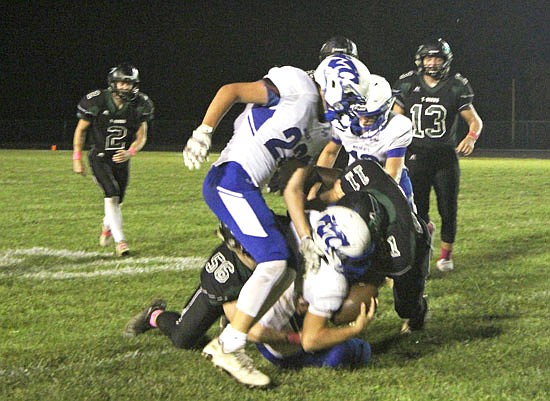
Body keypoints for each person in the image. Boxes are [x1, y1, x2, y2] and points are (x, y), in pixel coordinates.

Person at [181, 55, 371, 387]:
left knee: (289, 268)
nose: (345, 111)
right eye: (346, 100)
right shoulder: (296, 86)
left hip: (246, 187)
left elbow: (294, 187)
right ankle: (230, 344)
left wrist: (307, 237)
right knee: (274, 259)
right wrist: (204, 131)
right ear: (332, 84)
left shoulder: (322, 127)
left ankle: (232, 337)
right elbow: (232, 91)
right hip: (230, 178)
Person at [124, 223, 376, 373]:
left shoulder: (280, 244)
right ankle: (155, 315)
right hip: (226, 295)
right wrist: (291, 338)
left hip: (260, 295)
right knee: (183, 338)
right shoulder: (228, 270)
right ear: (236, 247)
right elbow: (248, 329)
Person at [283, 158, 431, 334]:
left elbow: (375, 277)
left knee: (404, 307)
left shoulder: (400, 249)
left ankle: (418, 312)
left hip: (415, 242)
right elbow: (314, 173)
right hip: (366, 202)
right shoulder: (364, 173)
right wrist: (315, 203)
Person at [392, 38, 483, 272]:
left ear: (446, 61)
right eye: (429, 58)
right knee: (418, 210)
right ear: (421, 60)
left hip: (444, 157)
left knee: (448, 208)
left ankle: (445, 256)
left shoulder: (456, 85)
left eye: (438, 58)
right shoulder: (407, 83)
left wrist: (470, 137)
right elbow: (395, 119)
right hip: (415, 156)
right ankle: (423, 247)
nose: (433, 62)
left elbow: (474, 120)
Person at [72, 63, 154, 257]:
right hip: (100, 156)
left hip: (121, 158)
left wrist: (130, 152)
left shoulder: (140, 104)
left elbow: (141, 136)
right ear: (113, 83)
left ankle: (107, 225)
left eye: (129, 83)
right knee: (112, 192)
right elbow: (80, 130)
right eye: (122, 83)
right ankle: (121, 242)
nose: (126, 87)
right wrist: (76, 157)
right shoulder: (97, 100)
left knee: (118, 199)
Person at [315, 74, 416, 209]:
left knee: (405, 223)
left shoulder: (398, 125)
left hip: (388, 180)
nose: (363, 120)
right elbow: (330, 153)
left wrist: (353, 191)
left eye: (371, 116)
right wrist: (317, 186)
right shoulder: (344, 120)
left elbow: (392, 175)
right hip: (353, 176)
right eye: (359, 114)